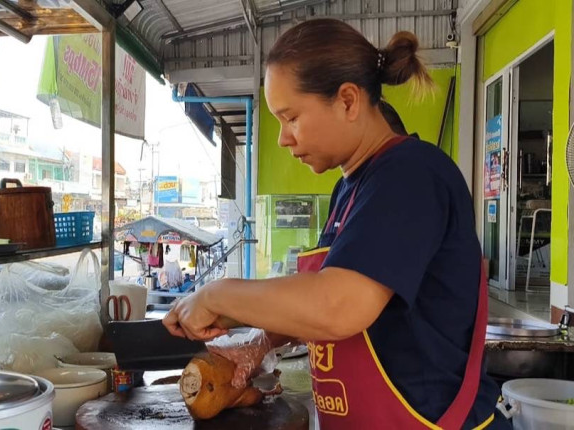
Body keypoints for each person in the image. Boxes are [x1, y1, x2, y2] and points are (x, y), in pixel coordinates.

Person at [163, 18, 509, 429]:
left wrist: (217, 294)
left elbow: (339, 305)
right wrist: (261, 342)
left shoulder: (411, 174)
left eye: (290, 117)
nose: (282, 138)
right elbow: (332, 305)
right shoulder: (352, 188)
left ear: (347, 101)